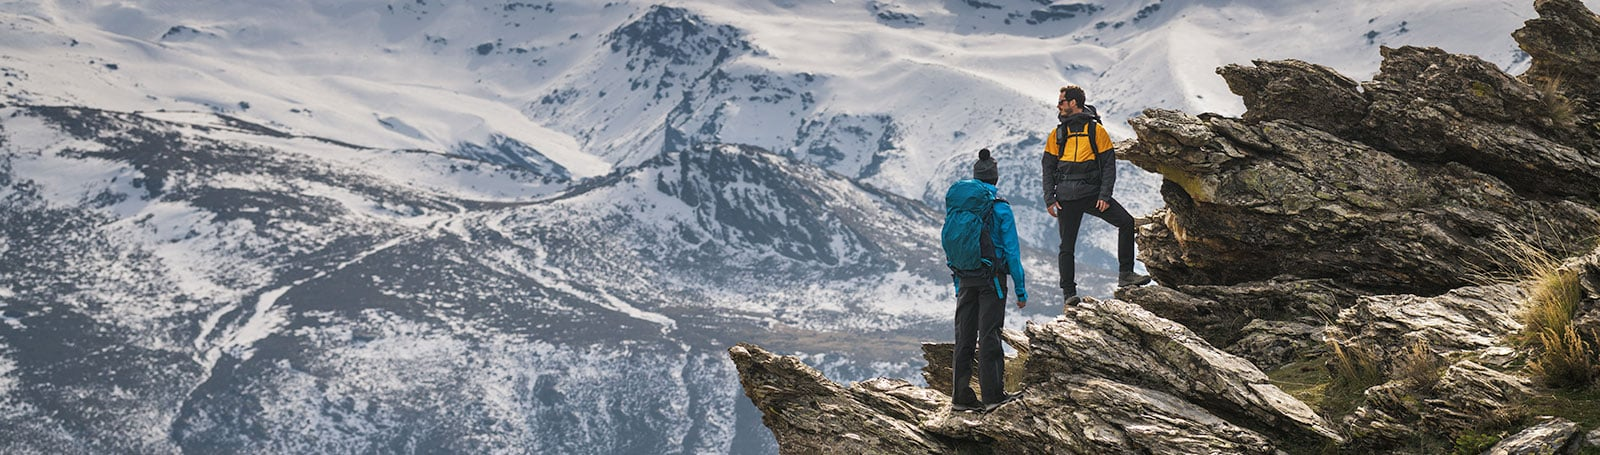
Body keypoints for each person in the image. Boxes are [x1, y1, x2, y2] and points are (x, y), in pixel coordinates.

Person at [1042, 85, 1150, 306]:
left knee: (1126, 222)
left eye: (1062, 101)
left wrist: (1104, 195)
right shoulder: (1057, 134)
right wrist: (1049, 198)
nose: (1058, 105)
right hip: (1066, 198)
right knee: (1066, 246)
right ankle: (1069, 295)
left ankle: (1126, 275)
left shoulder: (1096, 130)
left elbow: (1109, 165)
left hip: (1091, 194)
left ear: (1073, 103)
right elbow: (1048, 167)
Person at [951, 148, 1027, 412]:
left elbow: (957, 244)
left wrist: (958, 283)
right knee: (989, 335)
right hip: (991, 281)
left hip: (965, 277)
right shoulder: (1000, 208)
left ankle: (960, 397)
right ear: (995, 178)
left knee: (964, 337)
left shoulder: (962, 206)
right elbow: (1012, 253)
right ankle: (993, 396)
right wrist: (1020, 290)